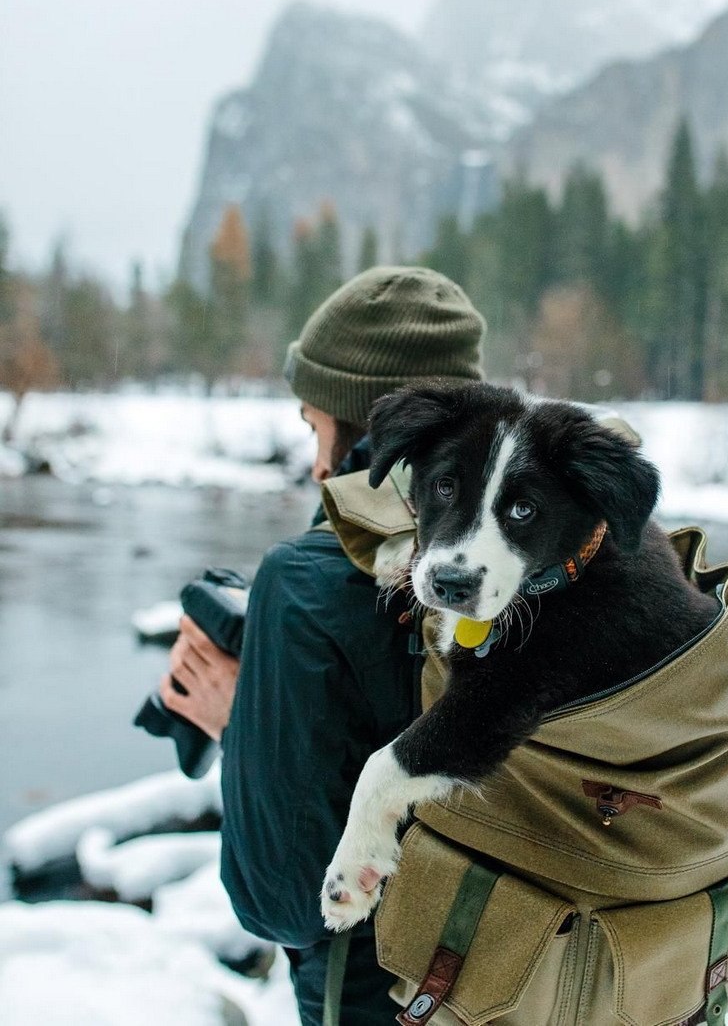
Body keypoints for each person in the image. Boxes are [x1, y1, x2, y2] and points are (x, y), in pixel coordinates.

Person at [160, 265, 485, 1025]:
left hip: (390, 991)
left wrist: (240, 724)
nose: (314, 461)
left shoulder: (309, 580)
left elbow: (285, 900)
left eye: (315, 425)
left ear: (360, 422)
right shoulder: (529, 536)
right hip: (535, 971)